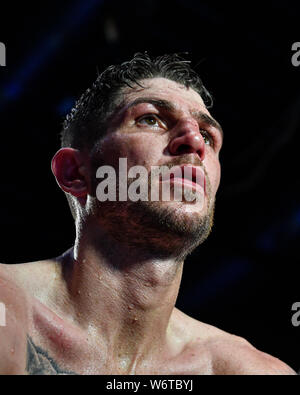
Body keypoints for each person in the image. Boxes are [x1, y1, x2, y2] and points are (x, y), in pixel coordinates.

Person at [0, 53, 295, 375]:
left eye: (208, 136)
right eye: (151, 119)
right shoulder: (9, 311)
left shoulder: (246, 370)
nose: (195, 141)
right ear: (75, 172)